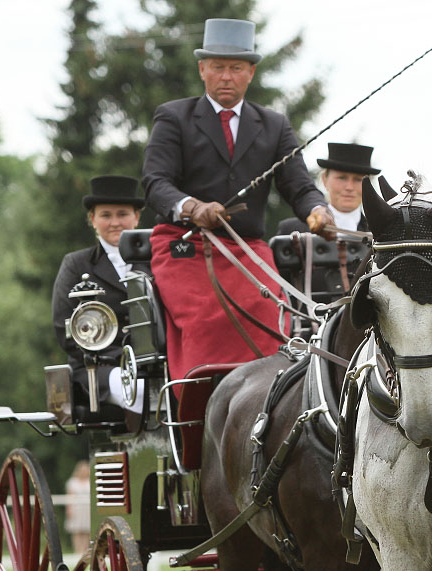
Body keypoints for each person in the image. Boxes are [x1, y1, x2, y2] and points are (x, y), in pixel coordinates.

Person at [142, 18, 332, 382]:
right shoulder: (174, 118)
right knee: (204, 321)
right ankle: (199, 406)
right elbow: (155, 182)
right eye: (217, 67)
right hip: (186, 248)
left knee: (271, 312)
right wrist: (193, 208)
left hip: (247, 249)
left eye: (235, 68)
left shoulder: (275, 125)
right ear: (202, 70)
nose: (226, 77)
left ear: (251, 72)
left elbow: (298, 186)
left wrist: (317, 211)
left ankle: (266, 408)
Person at [51, 175, 148, 414]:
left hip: (153, 363)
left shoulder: (156, 262)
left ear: (136, 217)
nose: (115, 222)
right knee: (141, 389)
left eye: (122, 214)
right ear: (93, 220)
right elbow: (64, 327)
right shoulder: (76, 264)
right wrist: (119, 358)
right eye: (106, 215)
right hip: (98, 367)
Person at [276, 142, 380, 235]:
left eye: (358, 180)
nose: (349, 187)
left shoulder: (379, 234)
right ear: (325, 179)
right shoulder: (291, 230)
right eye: (342, 178)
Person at [64, 460, 91, 554]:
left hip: (87, 509)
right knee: (77, 531)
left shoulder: (90, 481)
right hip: (77, 509)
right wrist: (69, 509)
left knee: (87, 531)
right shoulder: (72, 482)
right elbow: (70, 496)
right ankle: (78, 550)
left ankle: (86, 550)